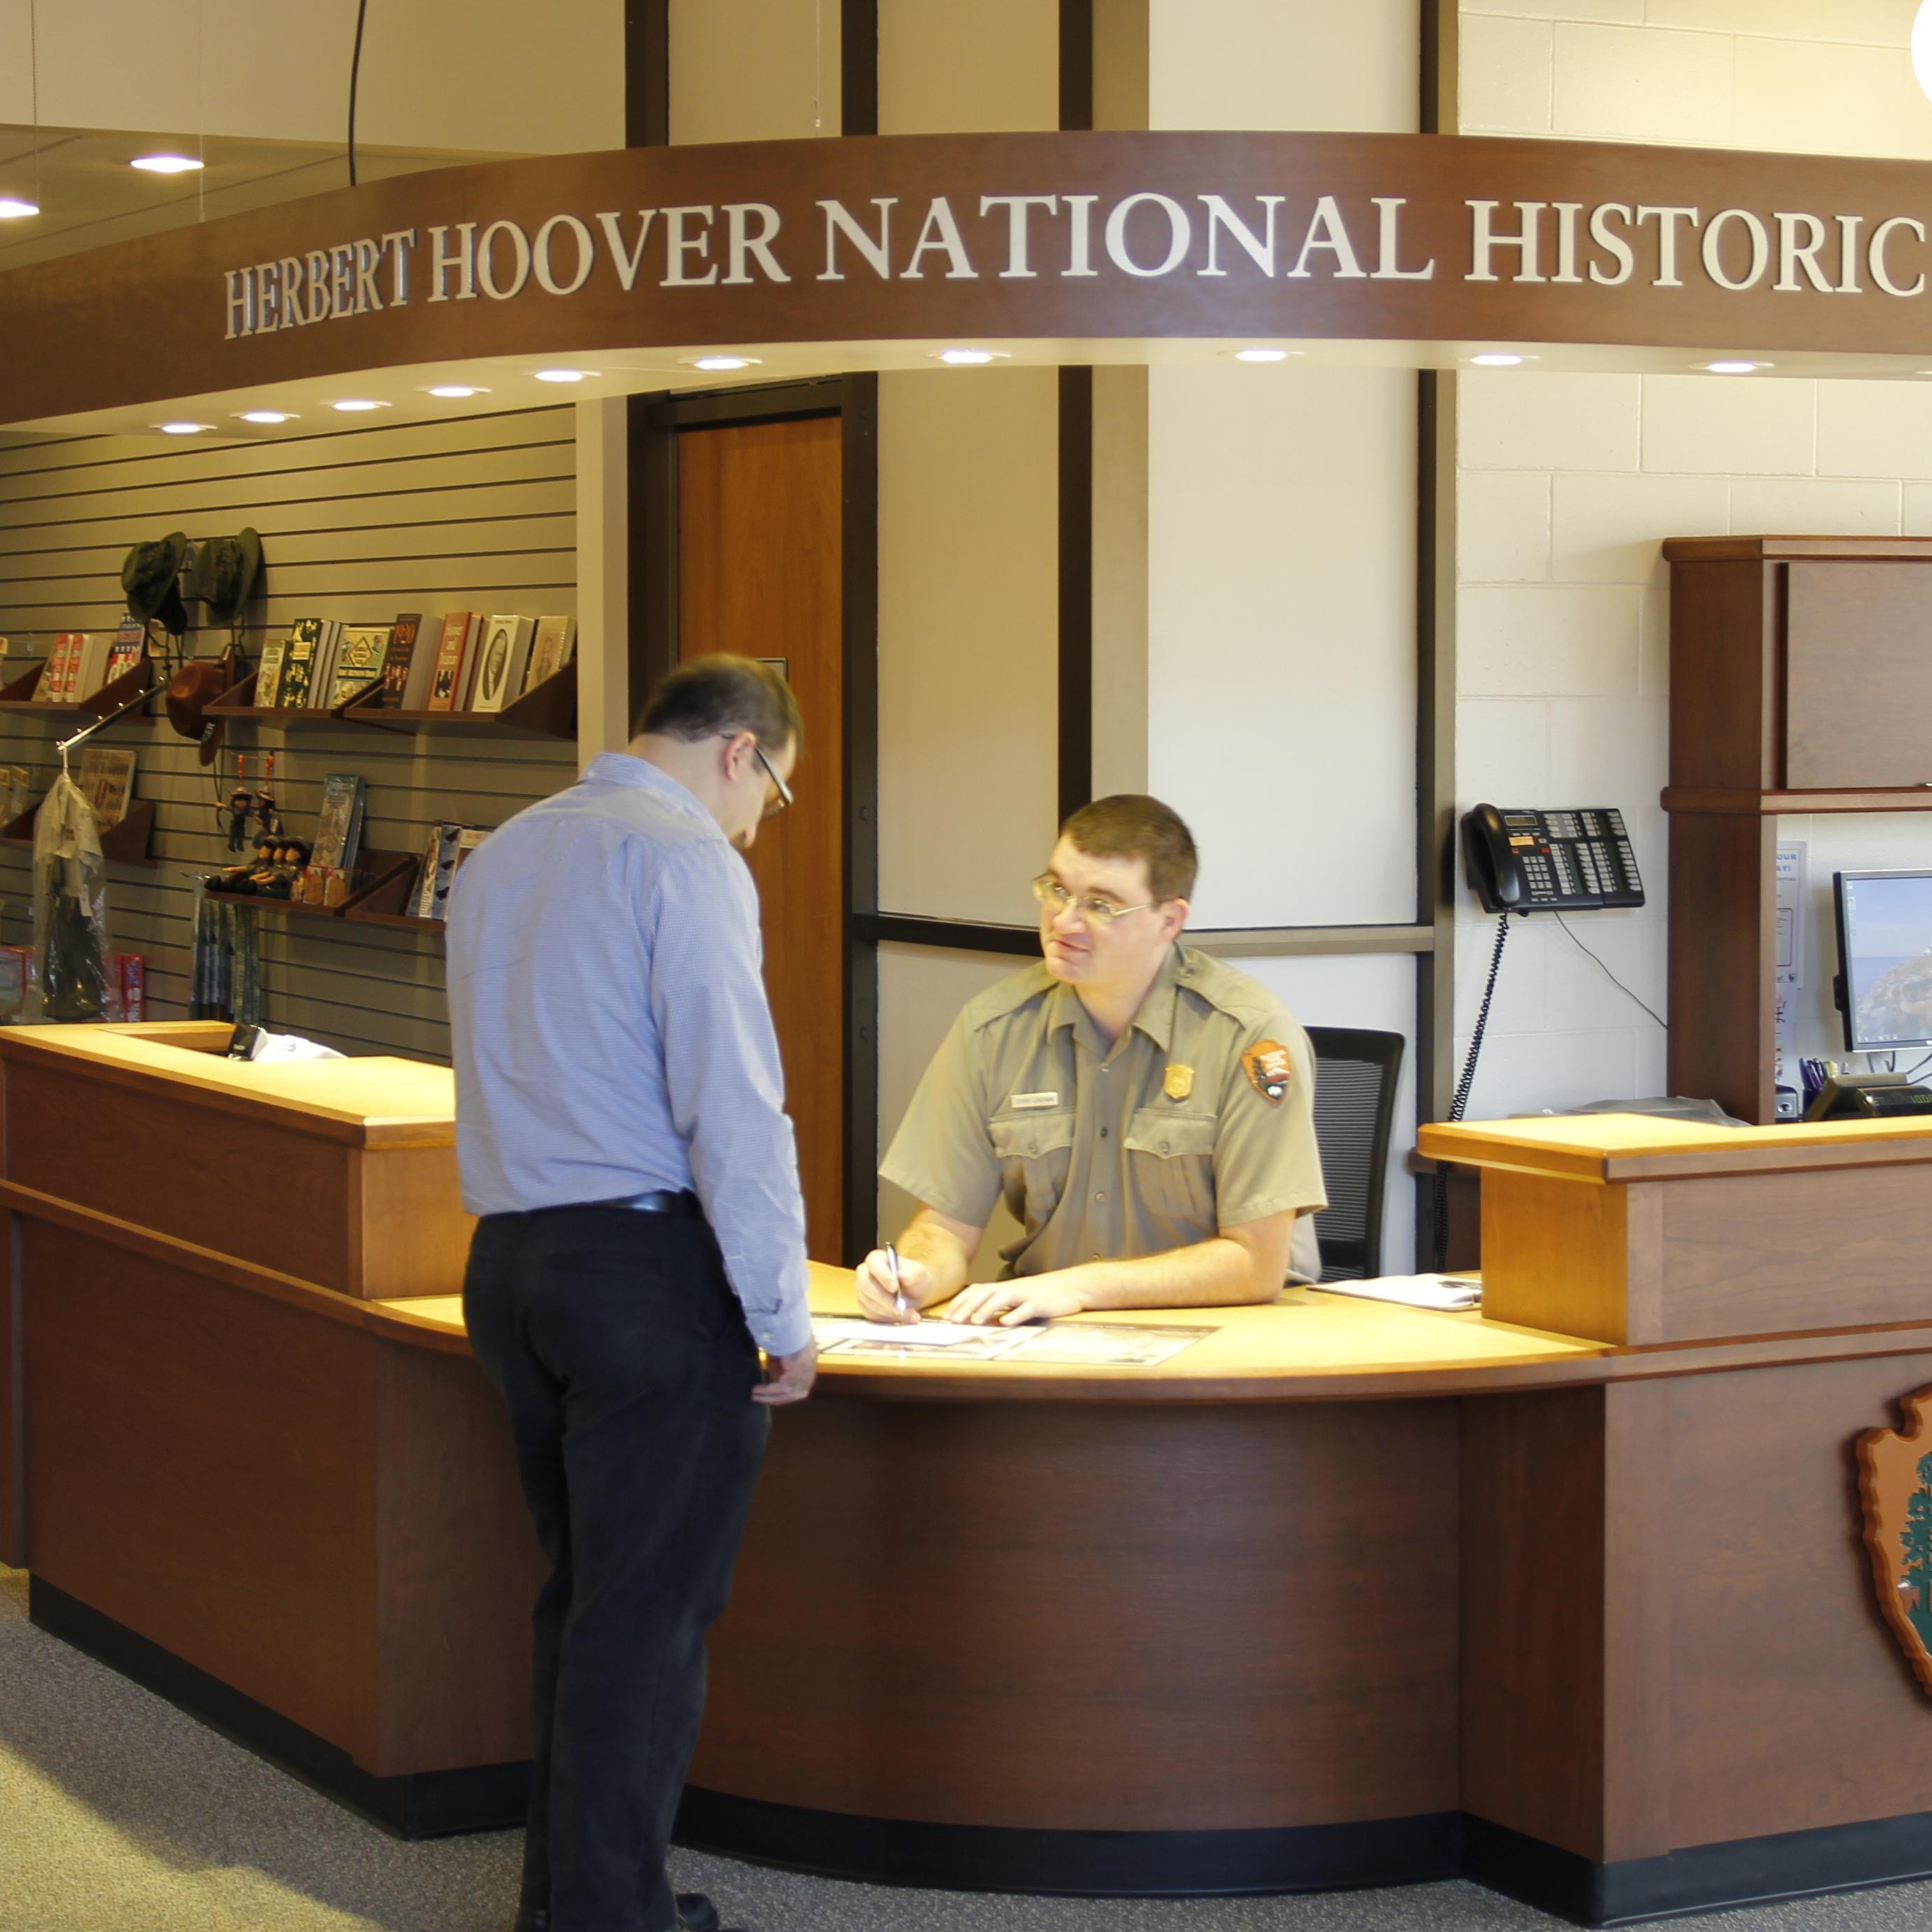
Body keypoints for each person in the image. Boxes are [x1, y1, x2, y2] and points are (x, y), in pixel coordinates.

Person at [447, 653, 815, 1932]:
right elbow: (732, 1102)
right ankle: (610, 1922)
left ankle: (570, 1907)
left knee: (585, 1598)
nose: (760, 820)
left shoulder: (503, 852)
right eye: (771, 791)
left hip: (511, 1266)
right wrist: (780, 1312)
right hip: (646, 1278)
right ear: (738, 751)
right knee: (645, 1623)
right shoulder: (684, 858)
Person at [857, 794, 1327, 1327]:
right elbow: (944, 1228)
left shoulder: (1249, 1035)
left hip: (1222, 1348)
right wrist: (912, 1273)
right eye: (1057, 890)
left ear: (1169, 920)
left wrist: (1081, 1286)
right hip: (1047, 1338)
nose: (1065, 920)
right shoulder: (992, 1028)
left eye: (1101, 905)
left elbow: (1255, 1263)